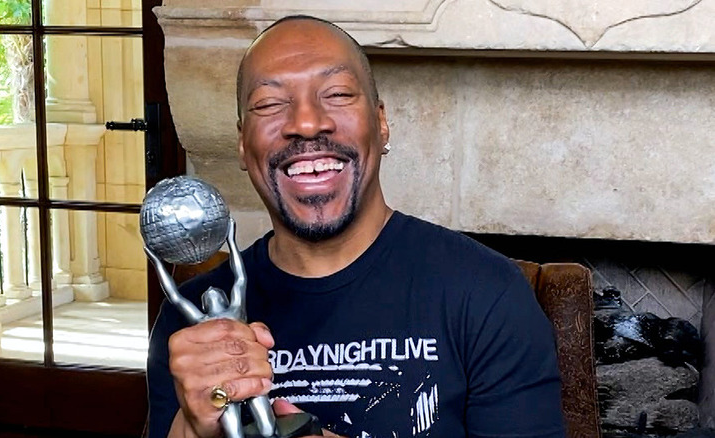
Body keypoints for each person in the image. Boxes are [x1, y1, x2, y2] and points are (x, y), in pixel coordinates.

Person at [147, 15, 565, 438]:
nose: (306, 123)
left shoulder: (487, 292)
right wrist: (193, 428)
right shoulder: (191, 324)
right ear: (242, 143)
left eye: (338, 94)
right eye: (270, 104)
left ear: (381, 123)